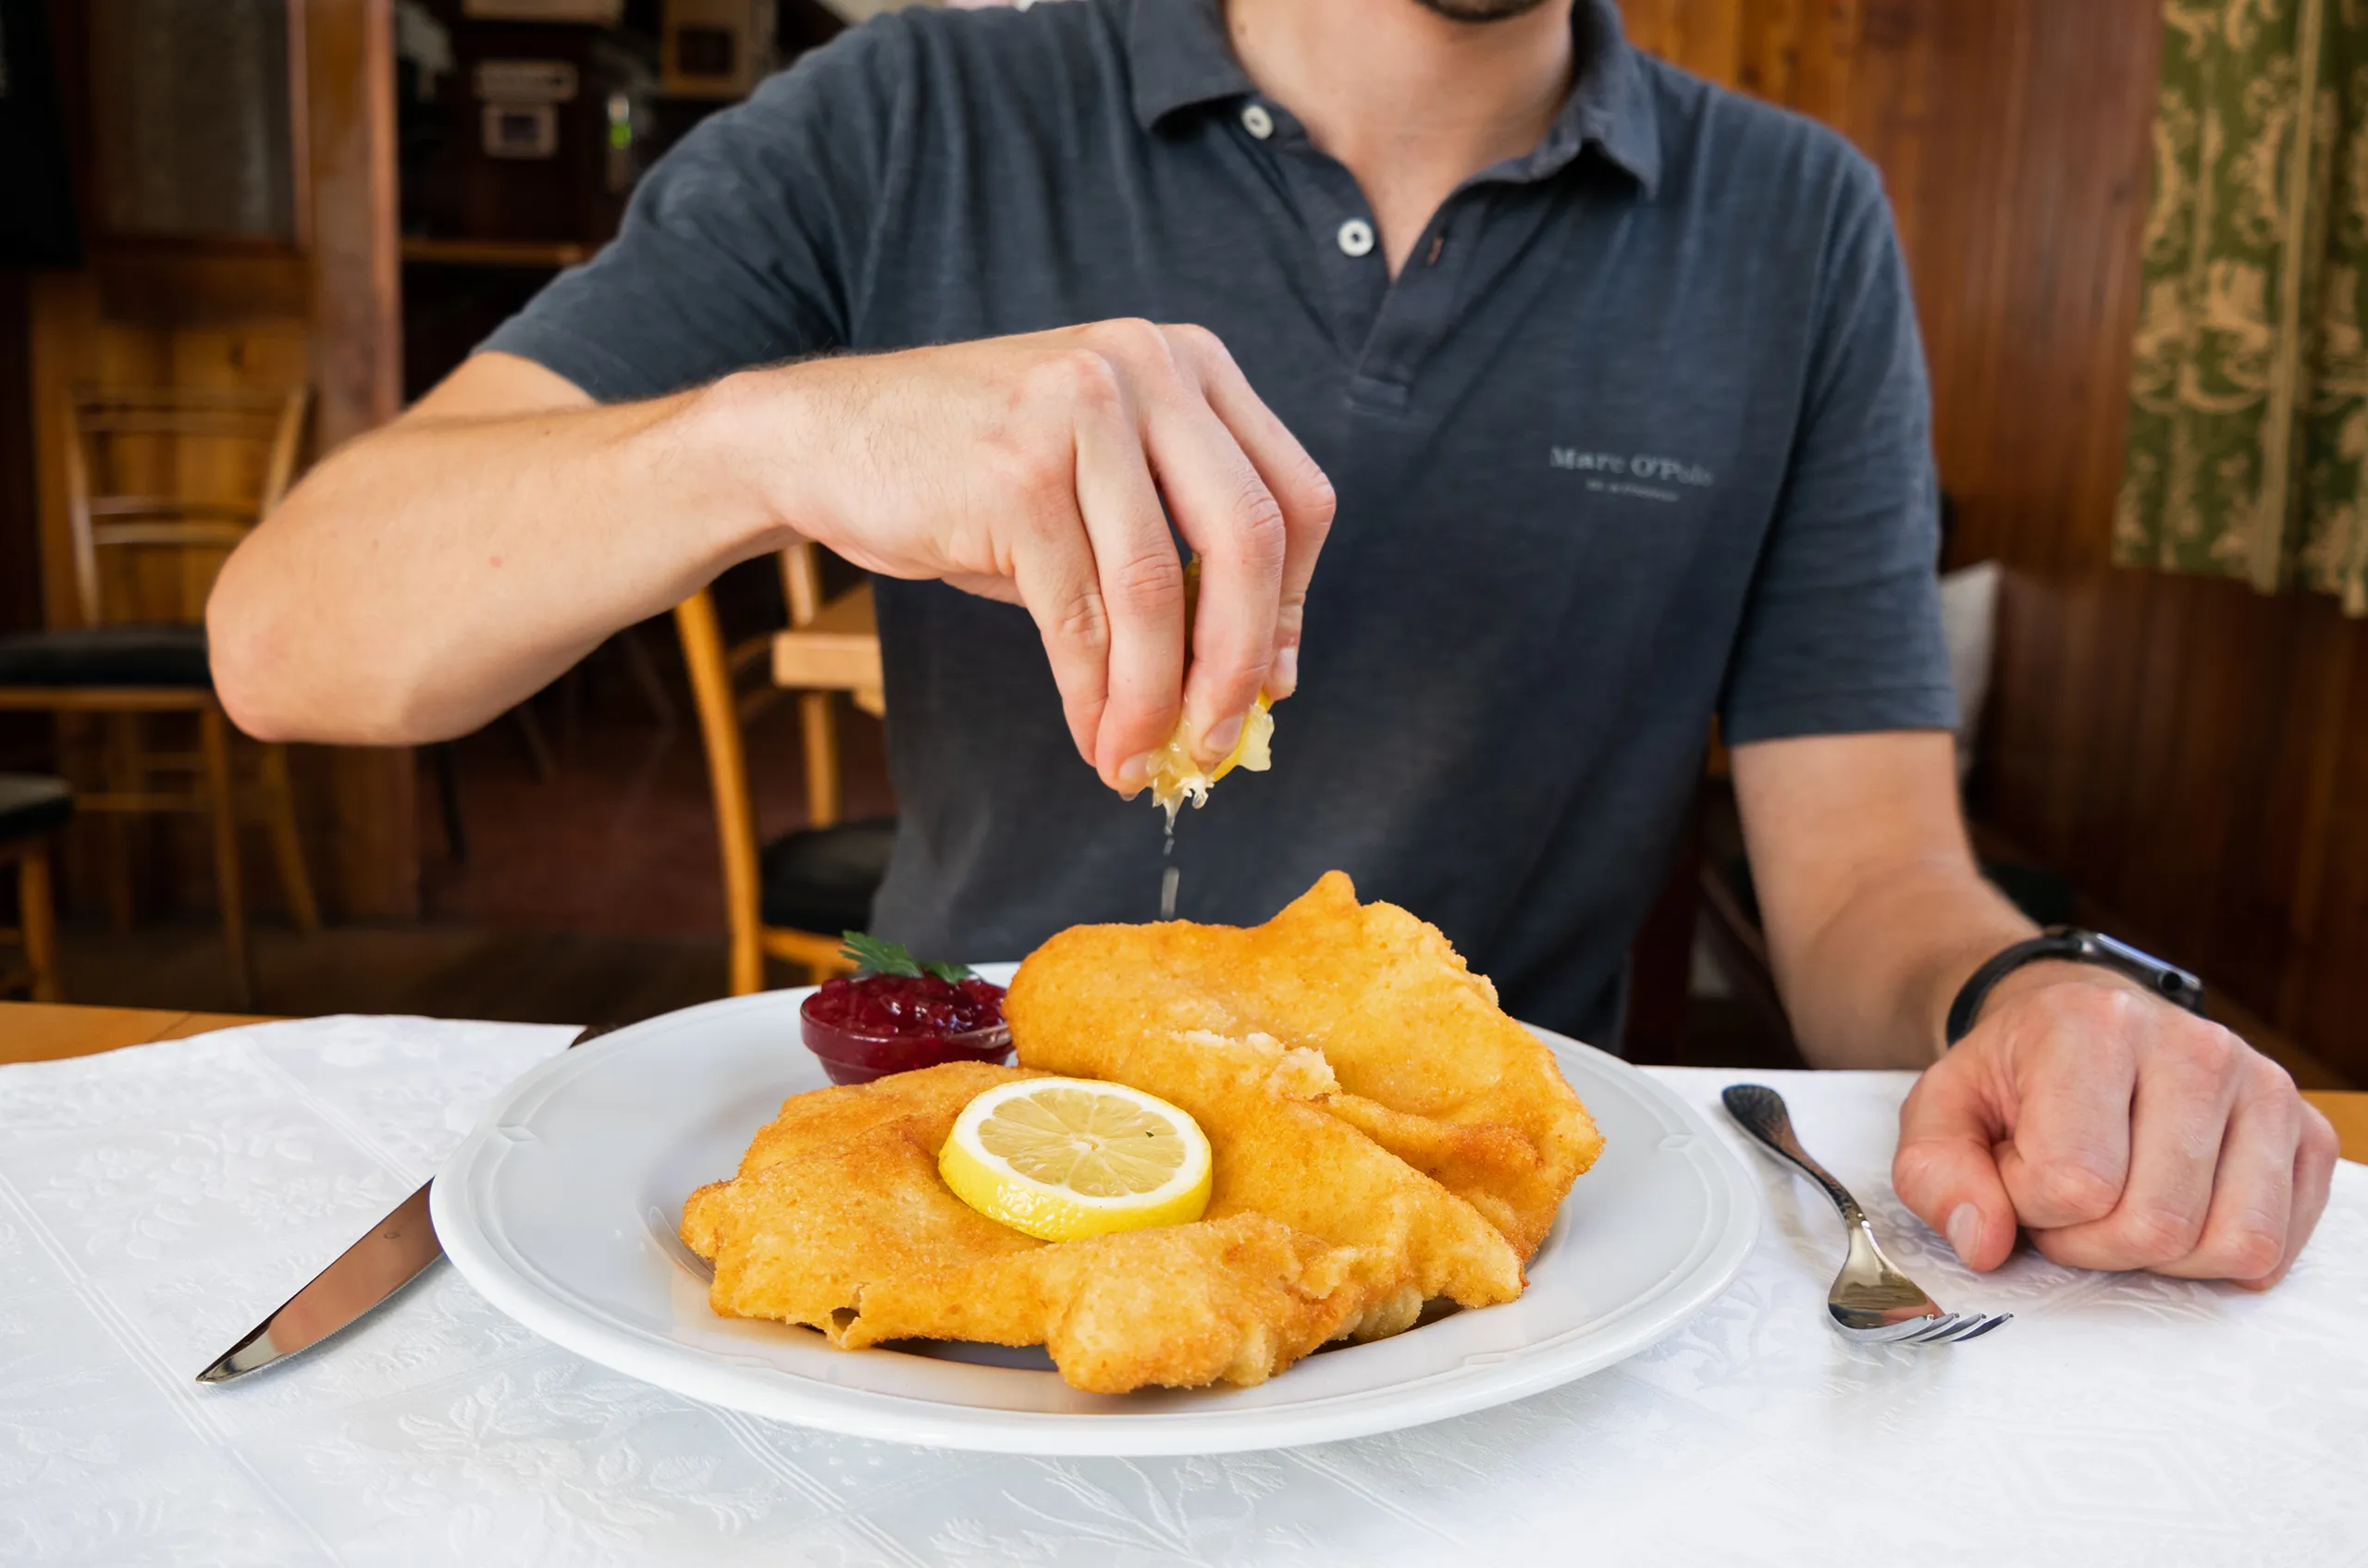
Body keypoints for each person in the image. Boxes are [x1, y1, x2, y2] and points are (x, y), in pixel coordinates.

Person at [207, 0, 2337, 1286]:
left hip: (1511, 1266)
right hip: (964, 1173)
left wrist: (2028, 995)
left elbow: (1866, 877)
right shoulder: (901, 120)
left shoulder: (1793, 225)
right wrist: (780, 428)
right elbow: (293, 638)